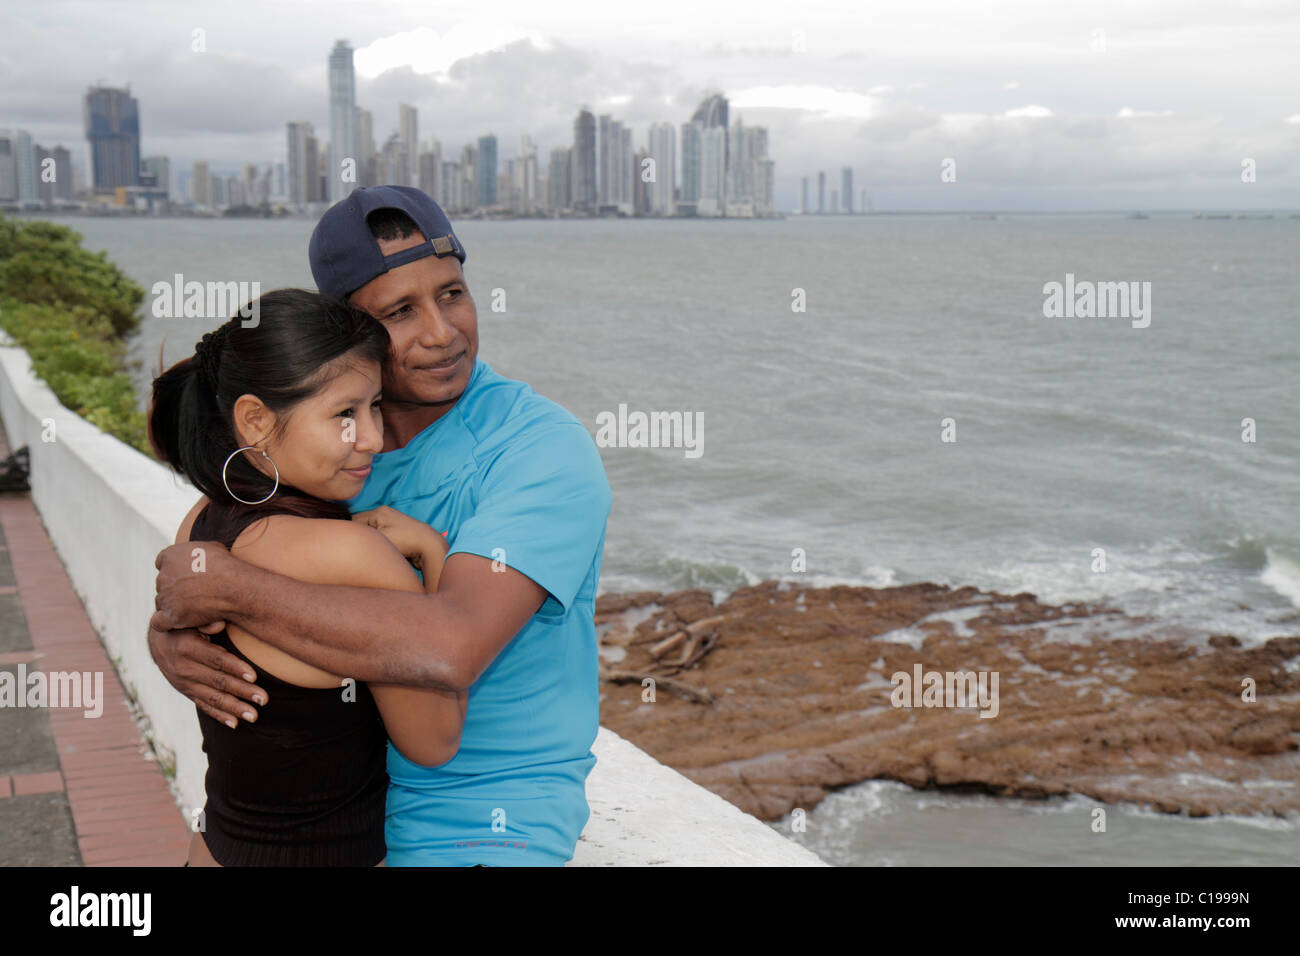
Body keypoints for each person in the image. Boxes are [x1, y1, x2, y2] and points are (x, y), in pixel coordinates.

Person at [149, 186, 613, 866]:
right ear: (350, 331)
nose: (441, 331)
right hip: (342, 822)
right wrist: (169, 632)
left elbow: (450, 648)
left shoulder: (539, 448)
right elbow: (215, 562)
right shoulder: (332, 460)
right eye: (400, 311)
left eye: (452, 293)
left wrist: (233, 592)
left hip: (482, 822)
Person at [148, 289, 468, 866]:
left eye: (375, 407)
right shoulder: (355, 556)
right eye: (345, 414)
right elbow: (434, 741)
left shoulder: (202, 519)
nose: (370, 437)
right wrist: (431, 550)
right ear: (255, 419)